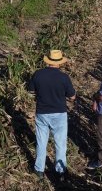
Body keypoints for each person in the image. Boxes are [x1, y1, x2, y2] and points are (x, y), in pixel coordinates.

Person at [29, 50, 76, 181]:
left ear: (48, 61)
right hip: (59, 114)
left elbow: (31, 92)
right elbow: (72, 96)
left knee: (41, 142)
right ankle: (60, 171)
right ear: (60, 63)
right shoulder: (64, 77)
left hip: (42, 113)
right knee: (60, 143)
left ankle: (39, 170)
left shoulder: (37, 74)